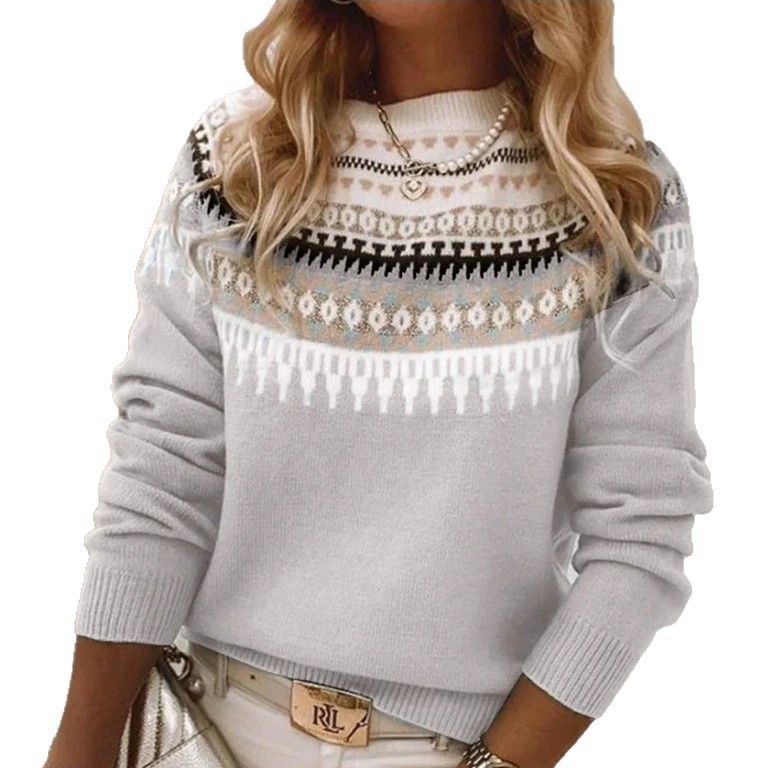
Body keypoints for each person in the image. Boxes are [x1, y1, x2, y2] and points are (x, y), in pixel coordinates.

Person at [44, 1, 715, 767]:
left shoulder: (617, 199)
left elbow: (640, 536)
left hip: (448, 748)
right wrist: (80, 748)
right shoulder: (239, 158)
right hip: (197, 732)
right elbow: (162, 472)